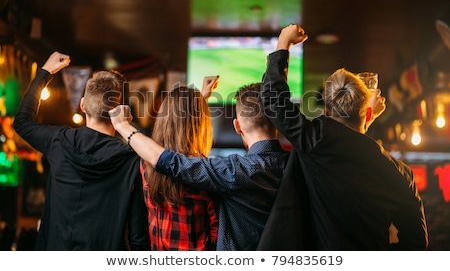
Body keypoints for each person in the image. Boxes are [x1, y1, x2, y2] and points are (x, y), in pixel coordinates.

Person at [257, 24, 428, 250]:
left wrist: (283, 45)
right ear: (367, 114)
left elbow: (273, 99)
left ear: (326, 111)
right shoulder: (401, 175)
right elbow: (417, 243)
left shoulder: (313, 140)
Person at [109, 82, 290, 250]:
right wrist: (196, 105)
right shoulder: (294, 164)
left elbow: (166, 160)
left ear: (237, 126)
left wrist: (122, 125)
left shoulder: (145, 165)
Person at [13, 51, 150, 250]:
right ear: (120, 111)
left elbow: (22, 122)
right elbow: (138, 238)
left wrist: (45, 73)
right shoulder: (131, 161)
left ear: (83, 105)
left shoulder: (59, 141)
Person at [140, 84, 218, 250]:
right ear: (201, 123)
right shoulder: (204, 171)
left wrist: (198, 101)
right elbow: (217, 233)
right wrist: (197, 106)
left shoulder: (145, 163)